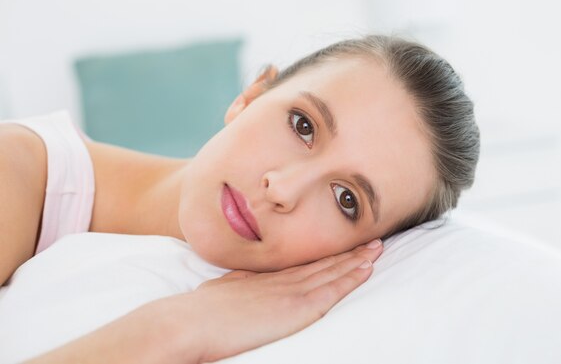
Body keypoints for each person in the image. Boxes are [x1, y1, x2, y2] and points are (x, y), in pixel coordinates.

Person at [0, 35, 480, 363]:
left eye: (345, 199)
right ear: (249, 97)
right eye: (303, 125)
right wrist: (173, 330)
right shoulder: (16, 170)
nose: (284, 189)